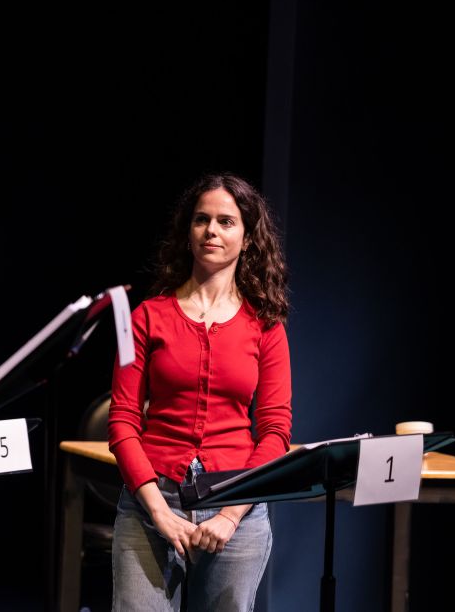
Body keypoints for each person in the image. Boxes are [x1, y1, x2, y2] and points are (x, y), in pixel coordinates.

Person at [108, 173, 291, 611]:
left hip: (236, 509)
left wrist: (230, 515)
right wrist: (157, 511)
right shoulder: (145, 318)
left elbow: (275, 430)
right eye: (201, 220)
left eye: (226, 221)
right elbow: (123, 419)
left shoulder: (266, 326)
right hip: (151, 504)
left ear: (247, 238)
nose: (212, 230)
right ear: (187, 232)